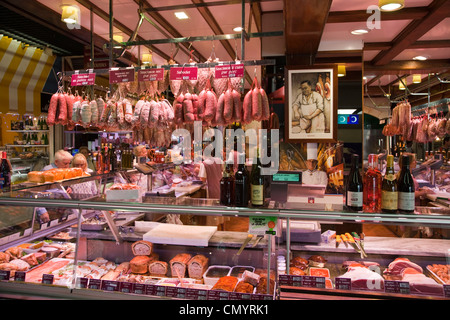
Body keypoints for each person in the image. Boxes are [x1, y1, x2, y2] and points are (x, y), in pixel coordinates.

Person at [36, 150, 74, 223]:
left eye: (69, 163)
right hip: (49, 211)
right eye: (65, 163)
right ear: (56, 162)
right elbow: (37, 193)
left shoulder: (63, 171)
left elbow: (62, 187)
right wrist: (42, 211)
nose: (67, 166)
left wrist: (69, 188)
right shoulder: (47, 172)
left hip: (61, 210)